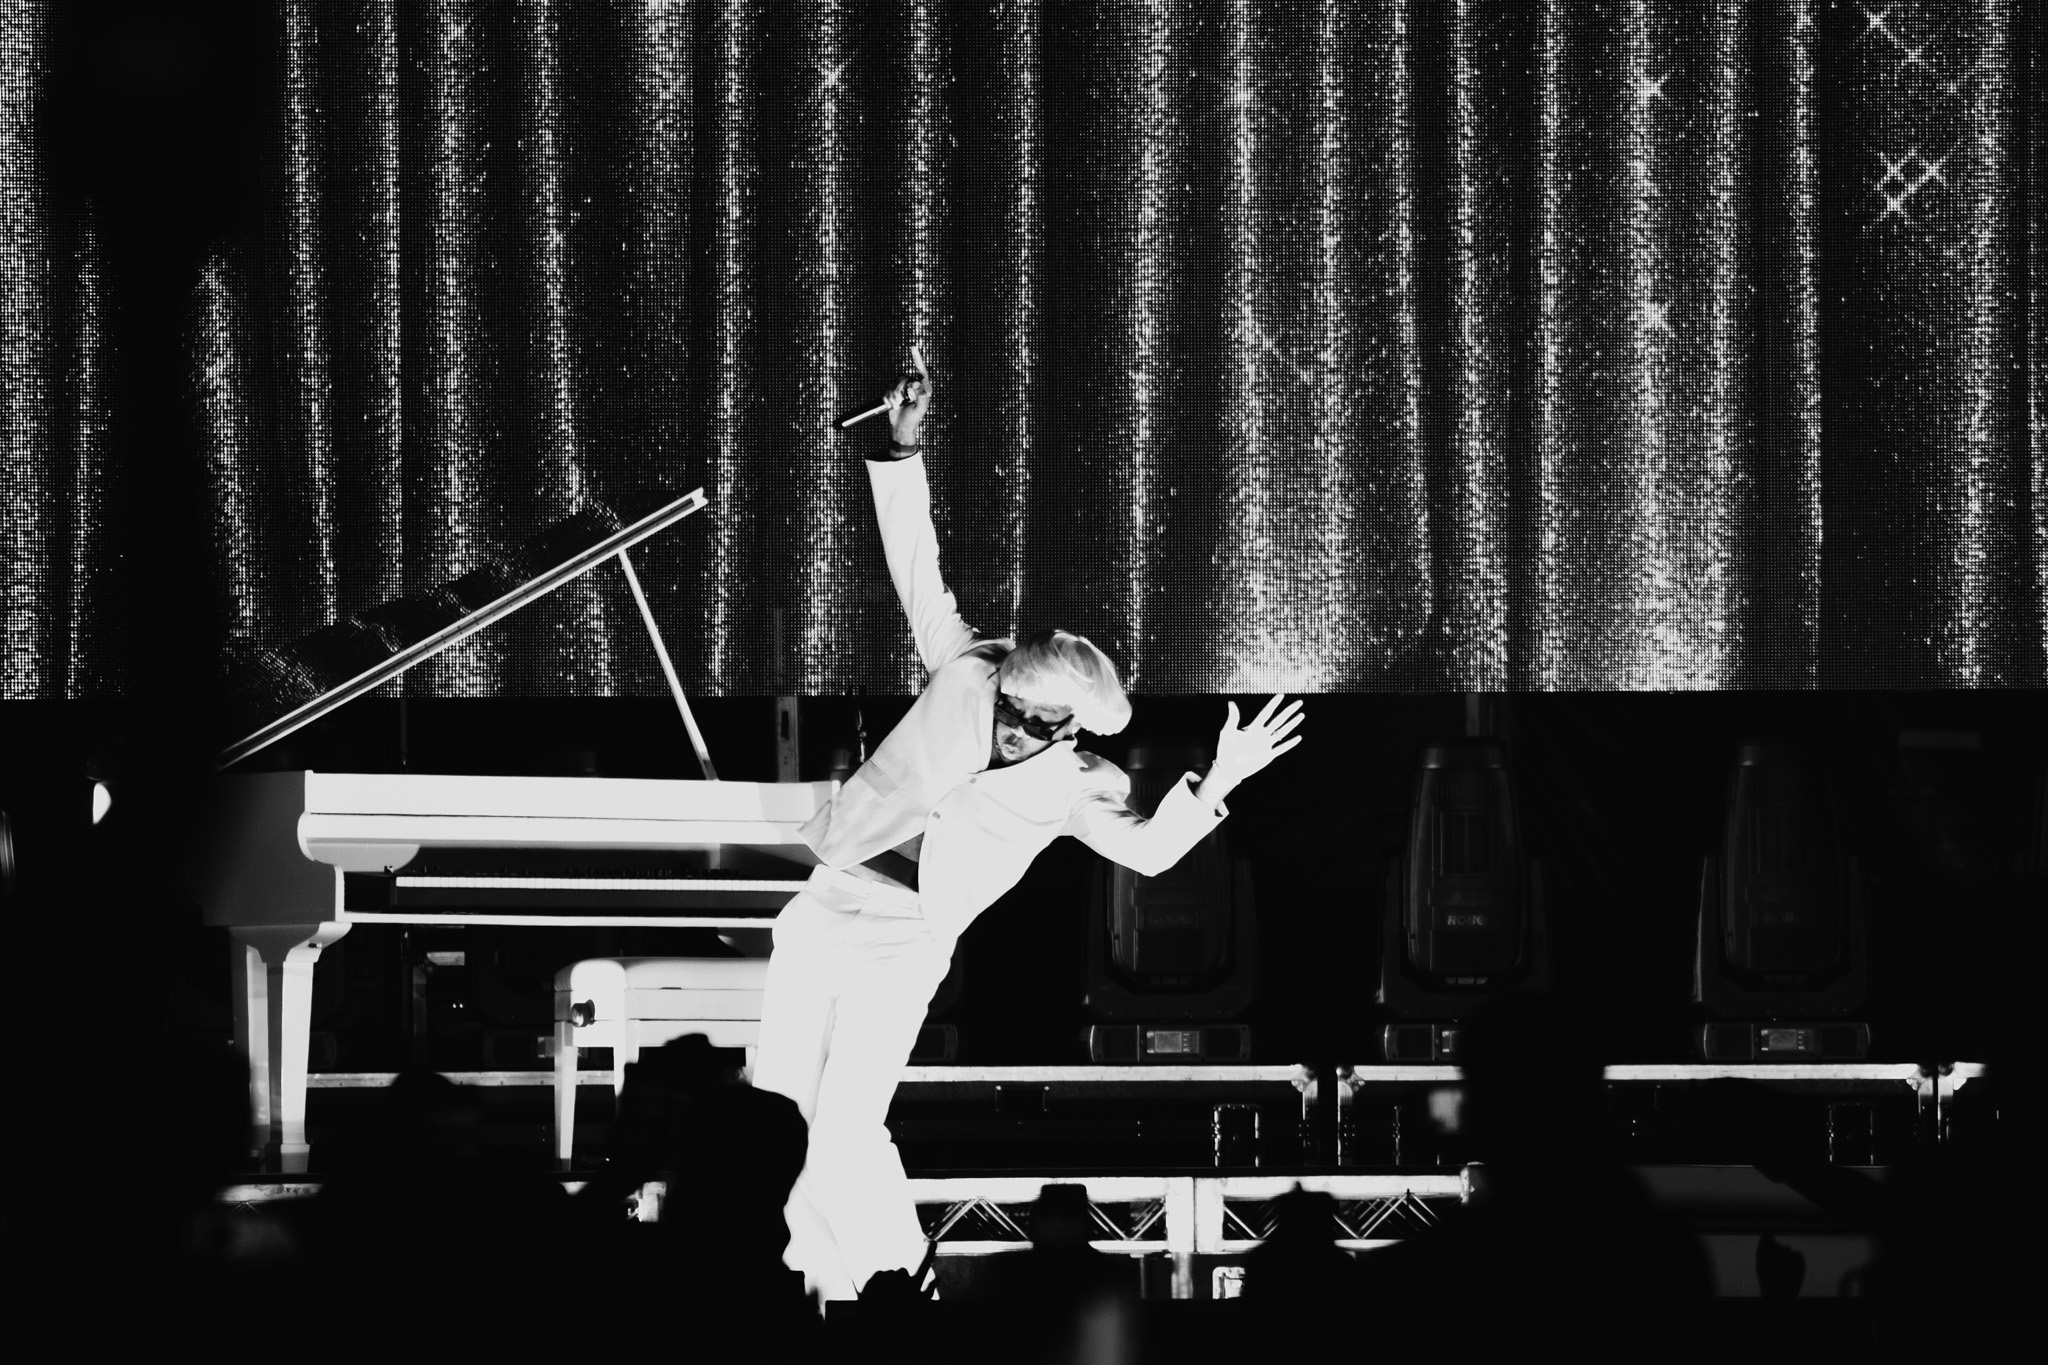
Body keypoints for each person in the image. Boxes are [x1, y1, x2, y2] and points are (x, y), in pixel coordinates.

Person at [751, 355, 1305, 1304]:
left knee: (844, 1127)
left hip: (906, 938)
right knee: (776, 1113)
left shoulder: (1076, 785)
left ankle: (901, 1288)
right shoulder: (967, 667)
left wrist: (1220, 778)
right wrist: (902, 446)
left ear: (1071, 725)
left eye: (1033, 721)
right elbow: (916, 566)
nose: (1010, 724)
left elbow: (1148, 851)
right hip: (830, 895)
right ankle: (813, 1285)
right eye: (1009, 703)